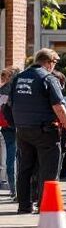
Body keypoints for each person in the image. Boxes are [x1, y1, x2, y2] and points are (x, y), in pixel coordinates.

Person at [4, 50, 66, 213]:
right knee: (49, 169)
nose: (54, 66)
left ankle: (24, 205)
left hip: (23, 130)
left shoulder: (18, 78)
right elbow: (59, 107)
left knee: (25, 168)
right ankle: (45, 205)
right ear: (49, 61)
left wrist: (16, 123)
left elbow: (9, 105)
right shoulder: (48, 78)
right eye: (55, 62)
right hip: (45, 130)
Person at [0, 67, 15, 196]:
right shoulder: (13, 89)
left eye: (5, 76)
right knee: (13, 159)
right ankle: (14, 189)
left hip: (7, 128)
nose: (3, 79)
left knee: (10, 160)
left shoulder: (4, 90)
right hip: (14, 127)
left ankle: (13, 189)